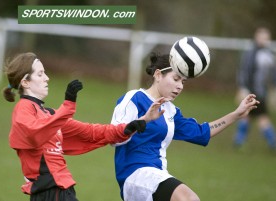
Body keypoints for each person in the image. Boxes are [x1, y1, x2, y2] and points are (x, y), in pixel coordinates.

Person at [3, 52, 166, 201]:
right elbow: (34, 133)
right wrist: (67, 107)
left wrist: (130, 126)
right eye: (40, 74)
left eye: (44, 72)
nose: (47, 78)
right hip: (48, 192)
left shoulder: (50, 115)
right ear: (25, 82)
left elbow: (91, 133)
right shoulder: (23, 109)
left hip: (62, 190)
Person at [110, 52, 259, 201]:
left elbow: (201, 133)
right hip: (135, 175)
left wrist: (236, 114)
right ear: (158, 75)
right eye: (176, 79)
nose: (180, 86)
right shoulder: (134, 98)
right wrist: (144, 120)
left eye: (183, 81)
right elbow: (114, 139)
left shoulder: (170, 111)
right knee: (188, 199)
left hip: (157, 175)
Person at [234, 27, 276, 150]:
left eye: (266, 37)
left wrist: (273, 89)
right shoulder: (251, 54)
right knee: (256, 116)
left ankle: (239, 140)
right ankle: (272, 142)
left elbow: (273, 75)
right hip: (251, 91)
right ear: (256, 37)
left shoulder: (269, 55)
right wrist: (242, 88)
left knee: (249, 116)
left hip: (261, 93)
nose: (264, 40)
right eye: (262, 37)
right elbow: (243, 71)